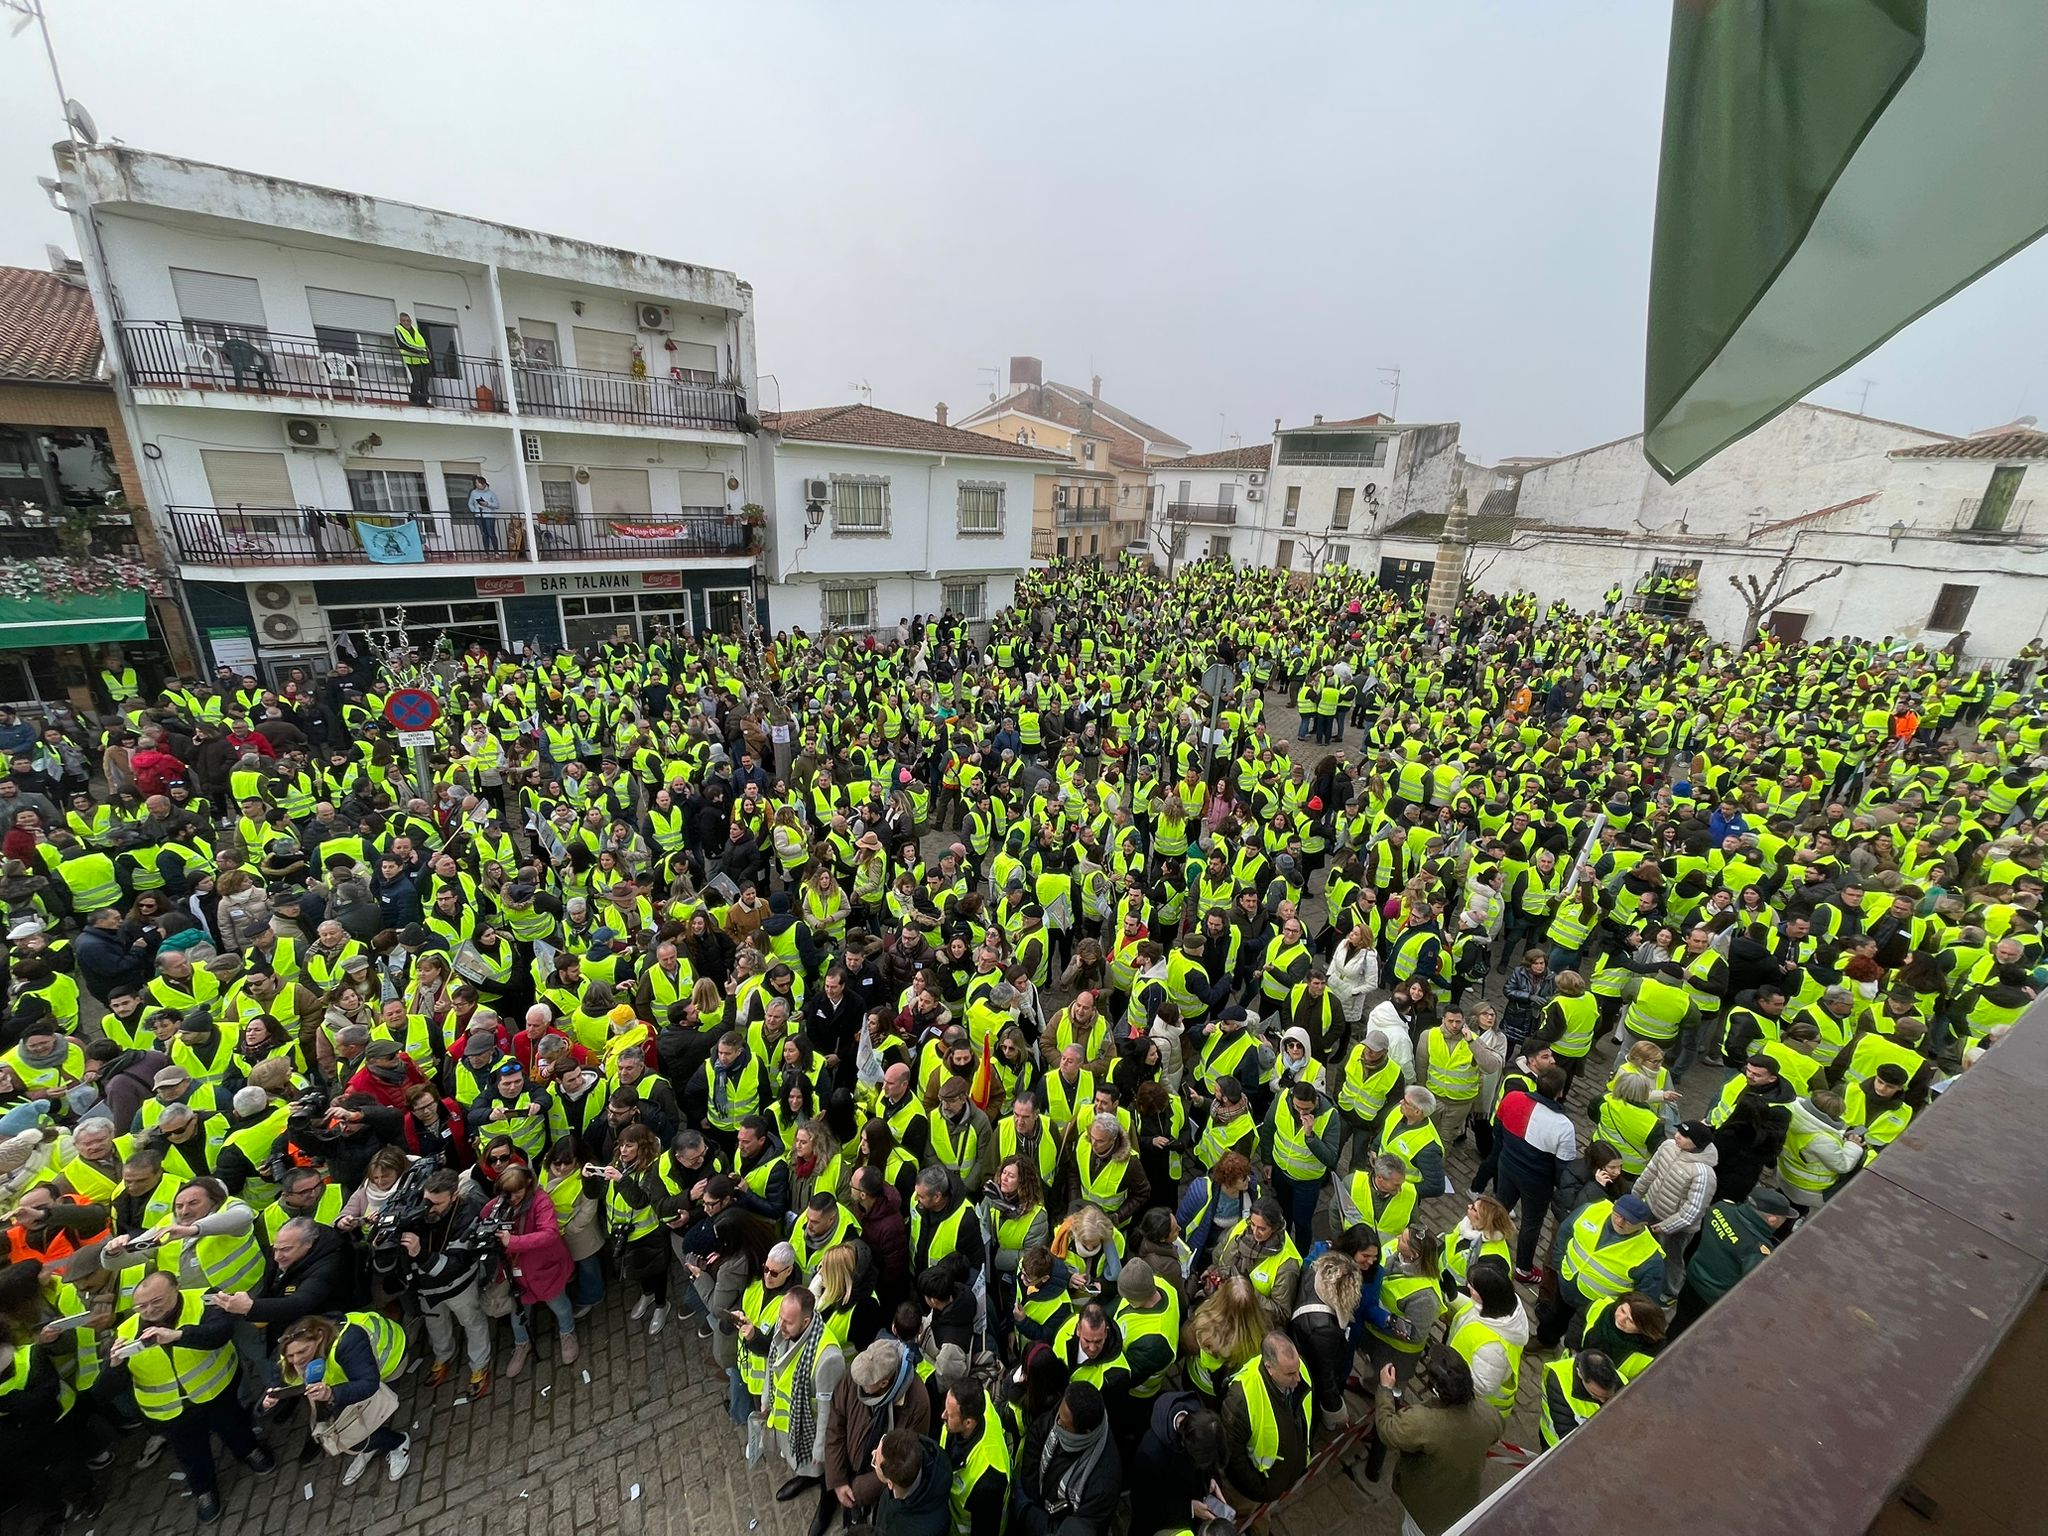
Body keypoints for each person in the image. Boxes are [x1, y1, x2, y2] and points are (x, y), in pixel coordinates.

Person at [111, 1270, 273, 1524]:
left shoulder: (203, 1299)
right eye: (141, 1306)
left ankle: (250, 1451)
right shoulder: (123, 1332)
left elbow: (220, 1333)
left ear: (176, 1288)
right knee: (190, 1453)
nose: (150, 1310)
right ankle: (204, 1490)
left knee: (235, 1426)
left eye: (157, 1301)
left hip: (216, 1389)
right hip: (170, 1410)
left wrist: (178, 1335)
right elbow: (104, 1391)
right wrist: (115, 1364)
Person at [264, 1310, 410, 1486]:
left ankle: (398, 1442)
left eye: (303, 1351)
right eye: (291, 1356)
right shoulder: (293, 1350)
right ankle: (368, 1444)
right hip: (354, 1373)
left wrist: (331, 1393)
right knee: (349, 1429)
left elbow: (368, 1384)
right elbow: (278, 1374)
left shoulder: (347, 1342)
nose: (298, 1360)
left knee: (352, 1435)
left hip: (391, 1360)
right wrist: (270, 1398)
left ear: (319, 1337)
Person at [1372, 1345, 1503, 1536]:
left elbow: (1387, 1428)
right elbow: (1497, 1430)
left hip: (1424, 1516)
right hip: (1464, 1505)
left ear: (1436, 1390)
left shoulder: (1424, 1423)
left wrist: (1385, 1389)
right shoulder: (1488, 1414)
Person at [822, 1338, 932, 1536]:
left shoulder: (917, 1402)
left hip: (878, 1486)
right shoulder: (858, 1374)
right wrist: (838, 1479)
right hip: (848, 1468)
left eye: (866, 1385)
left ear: (883, 1383)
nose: (858, 1385)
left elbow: (902, 1463)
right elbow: (835, 1426)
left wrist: (859, 1491)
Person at [1671, 1187, 1796, 1336]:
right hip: (1712, 1298)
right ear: (1772, 1219)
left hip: (1693, 1277)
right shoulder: (1755, 1248)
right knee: (1693, 1333)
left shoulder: (1721, 1208)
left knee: (1680, 1320)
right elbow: (1756, 1285)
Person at [1017, 1379, 1121, 1536]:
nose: (1056, 1423)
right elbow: (1036, 1435)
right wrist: (1032, 1491)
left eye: (1064, 1425)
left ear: (1084, 1432)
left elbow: (1066, 1532)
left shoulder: (1103, 1484)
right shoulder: (1066, 1411)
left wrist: (1026, 1509)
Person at [1220, 1331, 1310, 1505]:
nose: (1298, 1378)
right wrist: (1260, 1490)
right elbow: (1233, 1458)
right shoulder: (1241, 1401)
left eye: (1297, 1369)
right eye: (1290, 1374)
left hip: (1285, 1474)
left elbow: (1306, 1419)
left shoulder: (1298, 1369)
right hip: (1260, 1488)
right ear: (1269, 1368)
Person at [873, 1426, 953, 1536]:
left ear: (891, 1484)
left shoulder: (918, 1531)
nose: (873, 1452)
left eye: (874, 1463)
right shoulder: (923, 1461)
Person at [395, 311, 432, 405]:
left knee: (425, 381)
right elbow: (403, 344)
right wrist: (419, 350)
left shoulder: (415, 329)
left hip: (423, 359)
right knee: (417, 381)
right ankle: (414, 398)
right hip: (411, 359)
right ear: (400, 321)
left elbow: (422, 342)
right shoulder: (398, 329)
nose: (406, 322)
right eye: (404, 321)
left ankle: (424, 400)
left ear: (411, 321)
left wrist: (427, 351)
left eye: (408, 320)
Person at [467, 475, 504, 552]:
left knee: (491, 534)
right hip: (479, 516)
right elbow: (470, 503)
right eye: (475, 483)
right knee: (484, 535)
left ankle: (496, 552)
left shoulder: (491, 493)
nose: (476, 484)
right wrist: (474, 511)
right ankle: (486, 552)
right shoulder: (473, 493)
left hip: (489, 516)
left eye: (478, 483)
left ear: (483, 484)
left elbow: (497, 505)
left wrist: (487, 504)